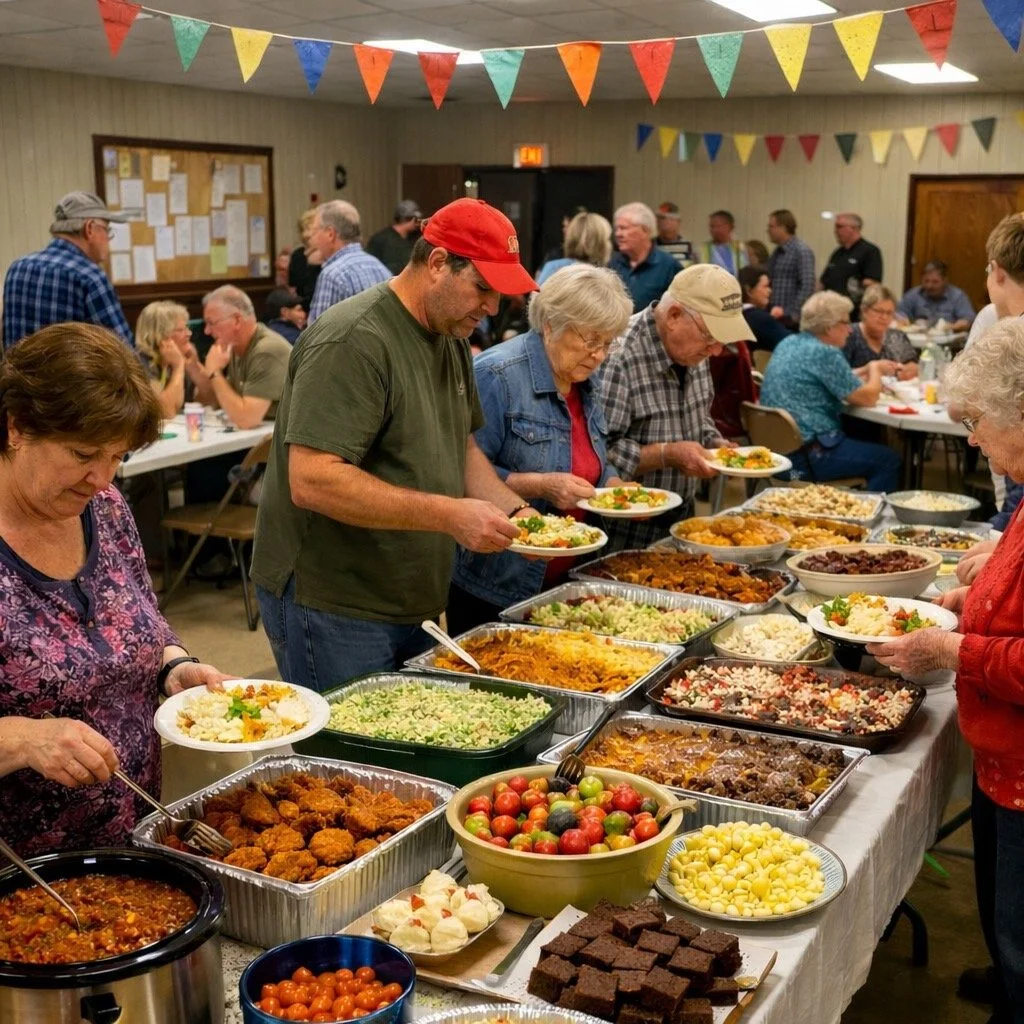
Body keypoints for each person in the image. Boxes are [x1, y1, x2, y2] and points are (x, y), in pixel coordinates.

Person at [250, 198, 541, 688]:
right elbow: (313, 480)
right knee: (346, 760)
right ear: (437, 263)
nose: (491, 309)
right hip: (334, 600)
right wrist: (449, 515)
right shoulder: (353, 340)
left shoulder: (448, 333)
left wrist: (518, 515)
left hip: (411, 596)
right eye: (483, 289)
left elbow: (462, 448)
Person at [0, 323, 231, 856]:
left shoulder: (103, 509)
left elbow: (136, 622)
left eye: (117, 457)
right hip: (27, 871)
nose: (102, 477)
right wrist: (22, 739)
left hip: (134, 836)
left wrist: (173, 664)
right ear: (16, 427)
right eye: (83, 454)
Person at [867, 319, 1024, 1024]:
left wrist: (953, 649)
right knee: (1004, 910)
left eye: (978, 421)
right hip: (1003, 762)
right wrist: (972, 601)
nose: (970, 440)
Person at [448, 264, 633, 633]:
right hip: (497, 585)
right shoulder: (496, 375)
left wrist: (611, 486)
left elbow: (590, 455)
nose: (598, 354)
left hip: (567, 579)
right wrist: (542, 485)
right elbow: (459, 472)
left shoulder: (583, 380)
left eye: (607, 343)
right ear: (551, 325)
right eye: (590, 339)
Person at [600, 264, 752, 550]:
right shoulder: (619, 357)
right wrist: (666, 454)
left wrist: (714, 443)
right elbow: (598, 455)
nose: (716, 350)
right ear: (673, 316)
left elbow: (697, 416)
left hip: (683, 518)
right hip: (626, 534)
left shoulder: (693, 348)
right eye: (710, 337)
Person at [759, 291, 902, 491]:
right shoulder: (826, 352)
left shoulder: (789, 342)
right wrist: (876, 369)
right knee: (889, 460)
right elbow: (869, 398)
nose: (850, 330)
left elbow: (825, 377)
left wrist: (863, 369)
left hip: (775, 458)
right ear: (829, 327)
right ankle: (866, 520)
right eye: (845, 323)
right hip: (804, 463)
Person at [2, 192, 132, 350]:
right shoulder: (90, 278)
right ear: (89, 228)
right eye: (106, 230)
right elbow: (125, 353)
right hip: (68, 375)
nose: (108, 238)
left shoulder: (17, 268)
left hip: (16, 375)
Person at [194, 285, 291, 429]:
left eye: (211, 323)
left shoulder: (267, 350)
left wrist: (215, 374)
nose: (207, 331)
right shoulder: (235, 347)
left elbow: (246, 420)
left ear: (237, 320)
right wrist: (203, 371)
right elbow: (213, 402)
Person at [307, 201, 392, 323]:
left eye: (315, 231)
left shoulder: (332, 276)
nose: (312, 238)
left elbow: (318, 338)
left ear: (330, 234)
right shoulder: (381, 269)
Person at [610, 202, 681, 312]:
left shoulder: (669, 266)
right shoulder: (611, 263)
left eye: (623, 228)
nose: (618, 234)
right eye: (617, 229)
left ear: (645, 230)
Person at [135, 300, 198, 419]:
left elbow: (206, 401)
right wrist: (178, 366)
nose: (189, 333)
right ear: (159, 335)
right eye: (180, 330)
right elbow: (165, 412)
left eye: (187, 328)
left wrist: (195, 368)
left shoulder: (181, 356)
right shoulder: (139, 363)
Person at [843, 285, 918, 380]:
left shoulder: (897, 336)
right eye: (879, 311)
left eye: (889, 313)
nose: (884, 317)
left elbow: (914, 365)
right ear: (864, 310)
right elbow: (837, 377)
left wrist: (908, 370)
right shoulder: (848, 334)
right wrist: (868, 369)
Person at [819, 213, 883, 313]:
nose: (835, 231)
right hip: (831, 311)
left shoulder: (870, 251)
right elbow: (823, 282)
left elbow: (872, 286)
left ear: (854, 229)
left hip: (853, 313)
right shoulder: (838, 253)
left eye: (839, 227)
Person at [766, 209, 816, 327]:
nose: (768, 231)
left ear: (783, 227)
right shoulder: (777, 252)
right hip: (775, 314)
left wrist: (793, 314)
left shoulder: (801, 251)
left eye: (771, 227)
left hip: (789, 318)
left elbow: (807, 286)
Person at [535, 212, 613, 285]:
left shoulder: (553, 267)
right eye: (608, 239)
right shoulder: (608, 277)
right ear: (602, 243)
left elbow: (536, 297)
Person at [897, 260, 975, 330]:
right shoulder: (914, 294)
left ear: (945, 281)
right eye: (926, 281)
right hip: (918, 340)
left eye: (935, 282)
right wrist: (903, 321)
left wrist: (952, 327)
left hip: (948, 341)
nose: (929, 286)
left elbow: (967, 320)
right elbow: (899, 313)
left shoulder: (957, 296)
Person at [738, 265, 791, 352]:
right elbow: (793, 342)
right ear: (749, 290)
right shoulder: (759, 318)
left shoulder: (737, 315)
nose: (770, 291)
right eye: (765, 286)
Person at [366, 200, 421, 275]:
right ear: (406, 219)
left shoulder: (414, 238)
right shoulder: (380, 239)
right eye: (416, 219)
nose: (418, 222)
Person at [287, 209, 321, 312]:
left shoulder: (328, 254)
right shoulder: (298, 255)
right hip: (303, 310)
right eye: (304, 228)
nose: (306, 233)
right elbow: (293, 288)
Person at [697, 210, 748, 276]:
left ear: (730, 227)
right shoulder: (702, 249)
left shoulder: (740, 247)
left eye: (718, 226)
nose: (714, 230)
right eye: (712, 226)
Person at [654, 202, 695, 268]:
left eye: (671, 219)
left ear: (678, 222)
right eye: (662, 218)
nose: (666, 222)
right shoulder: (649, 246)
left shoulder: (689, 247)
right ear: (657, 222)